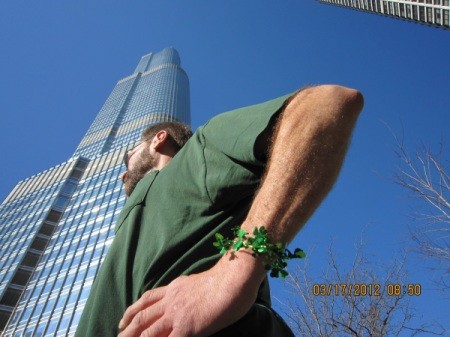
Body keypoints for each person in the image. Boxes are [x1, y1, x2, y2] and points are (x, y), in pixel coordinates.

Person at [75, 84, 364, 337]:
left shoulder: (197, 156)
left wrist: (237, 269)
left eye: (129, 155)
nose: (123, 172)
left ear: (158, 139)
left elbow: (326, 104)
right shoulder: (130, 219)